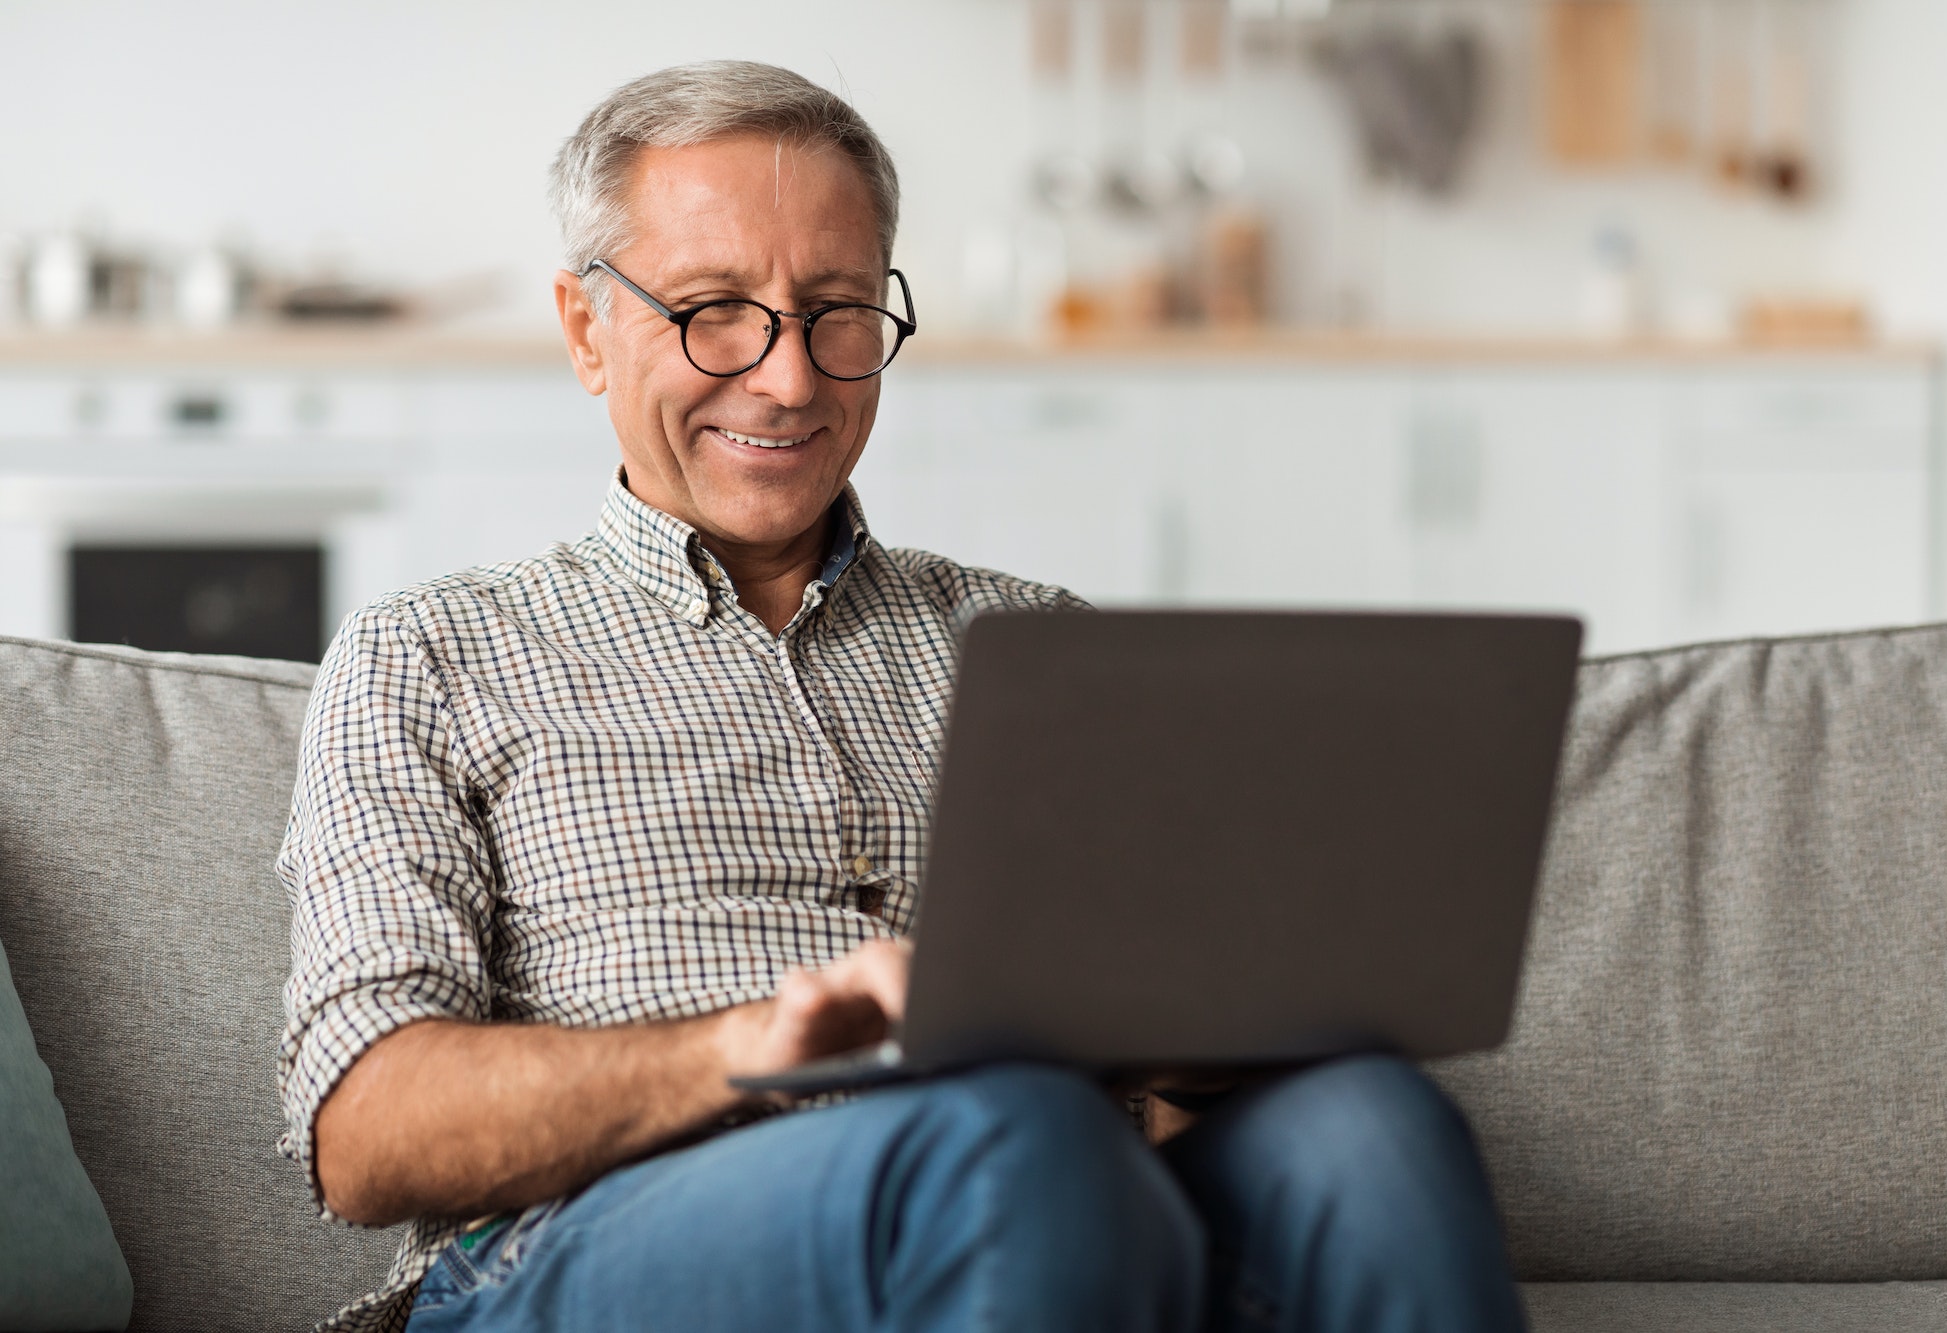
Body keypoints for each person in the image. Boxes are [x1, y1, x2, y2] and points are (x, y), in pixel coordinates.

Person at [279, 60, 1526, 1333]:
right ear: (587, 328)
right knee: (1009, 1139)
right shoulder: (431, 652)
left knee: (1370, 1124)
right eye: (714, 311)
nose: (788, 379)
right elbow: (365, 1134)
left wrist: (1214, 1031)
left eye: (837, 311)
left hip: (1055, 1195)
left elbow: (1167, 1075)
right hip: (602, 1244)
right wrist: (739, 1048)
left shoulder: (1037, 644)